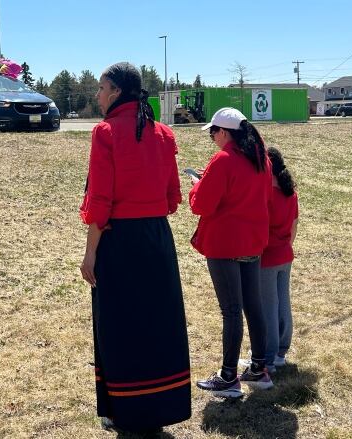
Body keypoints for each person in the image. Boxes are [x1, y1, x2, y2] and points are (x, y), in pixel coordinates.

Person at [79, 62, 190, 434]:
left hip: (119, 241)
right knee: (158, 324)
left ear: (117, 92)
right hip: (157, 240)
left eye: (101, 87)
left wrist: (90, 252)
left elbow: (100, 202)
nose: (98, 95)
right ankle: (159, 406)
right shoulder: (163, 134)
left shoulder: (105, 132)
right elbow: (173, 199)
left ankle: (121, 409)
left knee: (119, 326)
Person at [189, 107, 273, 398]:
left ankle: (228, 377)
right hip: (253, 241)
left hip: (225, 244)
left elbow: (202, 205)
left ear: (223, 132)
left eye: (213, 133)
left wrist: (197, 185)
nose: (212, 138)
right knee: (253, 305)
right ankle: (260, 367)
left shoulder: (223, 160)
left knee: (231, 311)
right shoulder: (260, 158)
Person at [258, 146, 299, 372]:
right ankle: (281, 351)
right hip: (285, 254)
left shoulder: (265, 195)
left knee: (268, 308)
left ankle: (268, 357)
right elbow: (294, 225)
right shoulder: (290, 192)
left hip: (267, 257)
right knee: (283, 304)